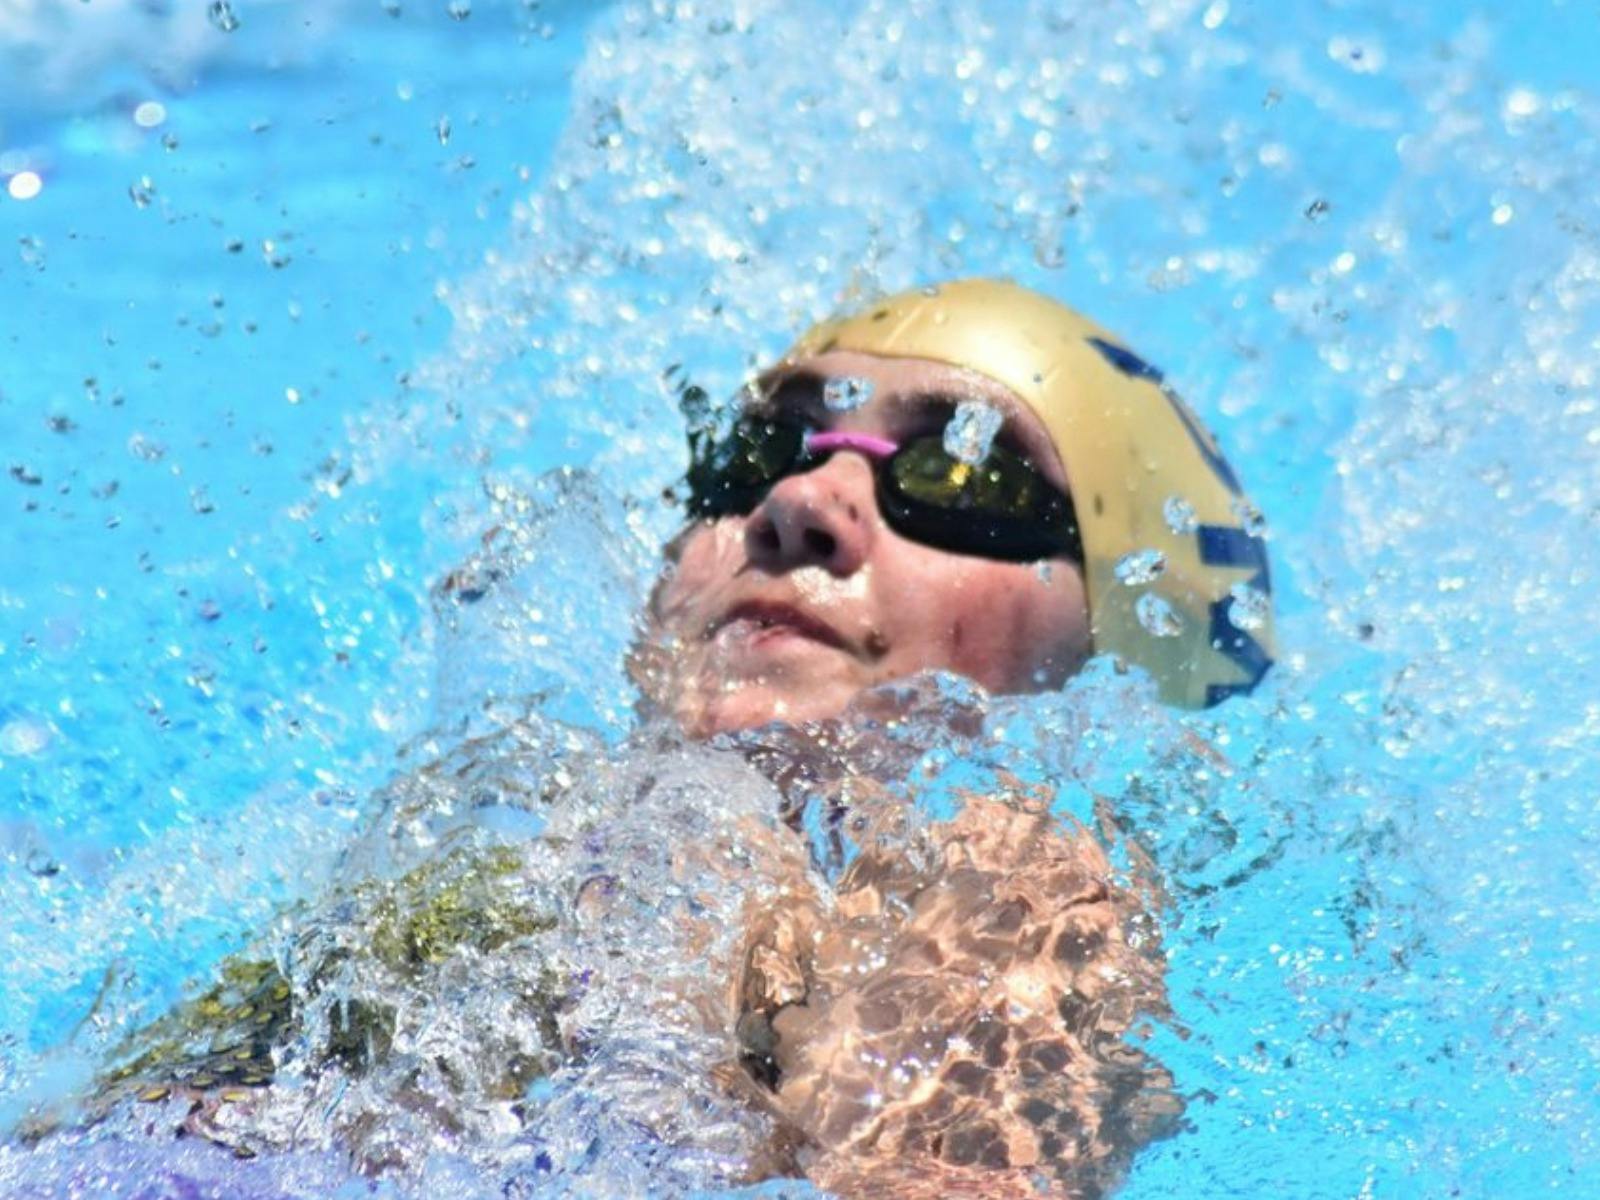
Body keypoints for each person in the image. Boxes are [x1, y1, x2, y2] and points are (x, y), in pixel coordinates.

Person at [66, 278, 1274, 1197]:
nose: (798, 505)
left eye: (960, 480)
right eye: (759, 454)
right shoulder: (498, 831)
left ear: (1121, 645)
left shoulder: (1029, 884)